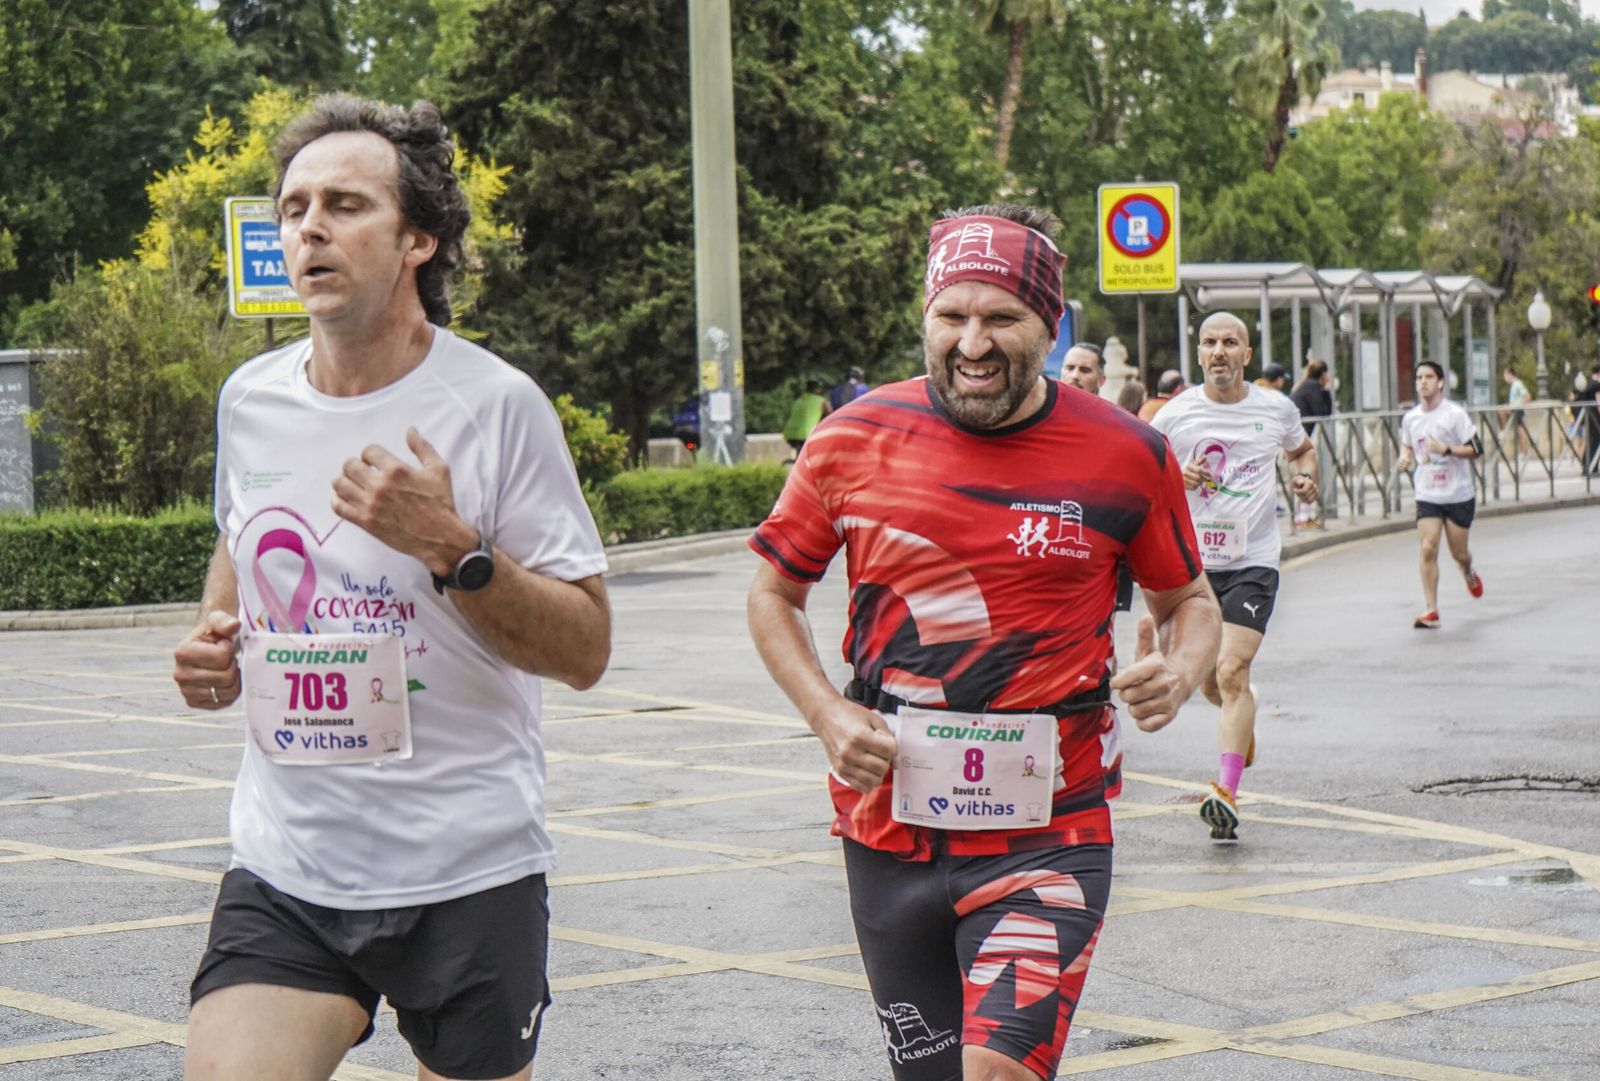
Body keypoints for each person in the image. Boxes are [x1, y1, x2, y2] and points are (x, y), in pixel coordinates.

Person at [169, 95, 612, 1081]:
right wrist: (215, 641)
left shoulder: (496, 407)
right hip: (289, 864)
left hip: (468, 866)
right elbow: (240, 544)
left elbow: (584, 647)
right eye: (293, 207)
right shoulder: (251, 400)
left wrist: (453, 548)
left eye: (344, 204)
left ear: (418, 238)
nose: (310, 226)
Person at [746, 203, 1220, 1081]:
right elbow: (775, 592)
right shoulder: (849, 440)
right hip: (889, 825)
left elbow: (1189, 598)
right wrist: (826, 713)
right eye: (952, 316)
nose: (974, 340)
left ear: (1050, 324)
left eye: (1002, 316)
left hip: (1054, 823)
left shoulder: (1127, 452)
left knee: (997, 1071)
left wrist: (1183, 667)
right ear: (925, 319)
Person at [1150, 312, 1318, 844]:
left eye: (1230, 342)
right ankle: (1242, 724)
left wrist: (1305, 477)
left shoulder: (1276, 408)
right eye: (1209, 342)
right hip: (1193, 567)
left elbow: (1302, 450)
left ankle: (1224, 793)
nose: (1219, 350)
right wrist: (1176, 474)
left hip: (1254, 560)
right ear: (1198, 354)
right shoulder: (1174, 416)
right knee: (1209, 682)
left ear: (1247, 354)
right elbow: (1144, 473)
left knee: (1231, 670)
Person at [1396, 360, 1483, 630]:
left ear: (1441, 382)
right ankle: (1431, 609)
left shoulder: (1455, 415)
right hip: (1427, 493)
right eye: (1419, 377)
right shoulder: (1411, 418)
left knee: (1459, 553)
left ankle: (1467, 571)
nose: (1423, 382)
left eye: (1429, 377)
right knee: (1428, 546)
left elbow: (1477, 449)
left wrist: (1446, 449)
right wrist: (1404, 457)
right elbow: (1407, 445)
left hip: (1457, 493)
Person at [1289, 358, 1334, 527]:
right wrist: (1327, 391)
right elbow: (1322, 412)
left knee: (1301, 476)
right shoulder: (1312, 387)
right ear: (1323, 374)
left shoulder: (1304, 385)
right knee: (1308, 475)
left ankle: (1301, 517)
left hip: (1297, 437)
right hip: (1299, 438)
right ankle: (1302, 517)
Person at [783, 378, 828, 461]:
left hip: (789, 433)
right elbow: (832, 414)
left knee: (800, 452)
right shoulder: (822, 401)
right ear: (817, 389)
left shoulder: (799, 400)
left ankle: (797, 462)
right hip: (805, 433)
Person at [1500, 366, 1530, 463]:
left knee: (1502, 412)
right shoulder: (1514, 385)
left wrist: (1516, 406)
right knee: (1519, 432)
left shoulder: (1517, 384)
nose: (1505, 378)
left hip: (1517, 410)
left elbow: (1528, 396)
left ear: (1510, 375)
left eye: (1505, 376)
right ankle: (1522, 453)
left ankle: (1503, 431)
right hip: (1515, 409)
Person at [1576, 362, 1600, 474]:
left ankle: (1586, 465)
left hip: (1588, 417)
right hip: (1596, 417)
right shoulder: (1596, 385)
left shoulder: (1588, 384)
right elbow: (1598, 402)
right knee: (1595, 441)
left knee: (1591, 440)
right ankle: (1592, 466)